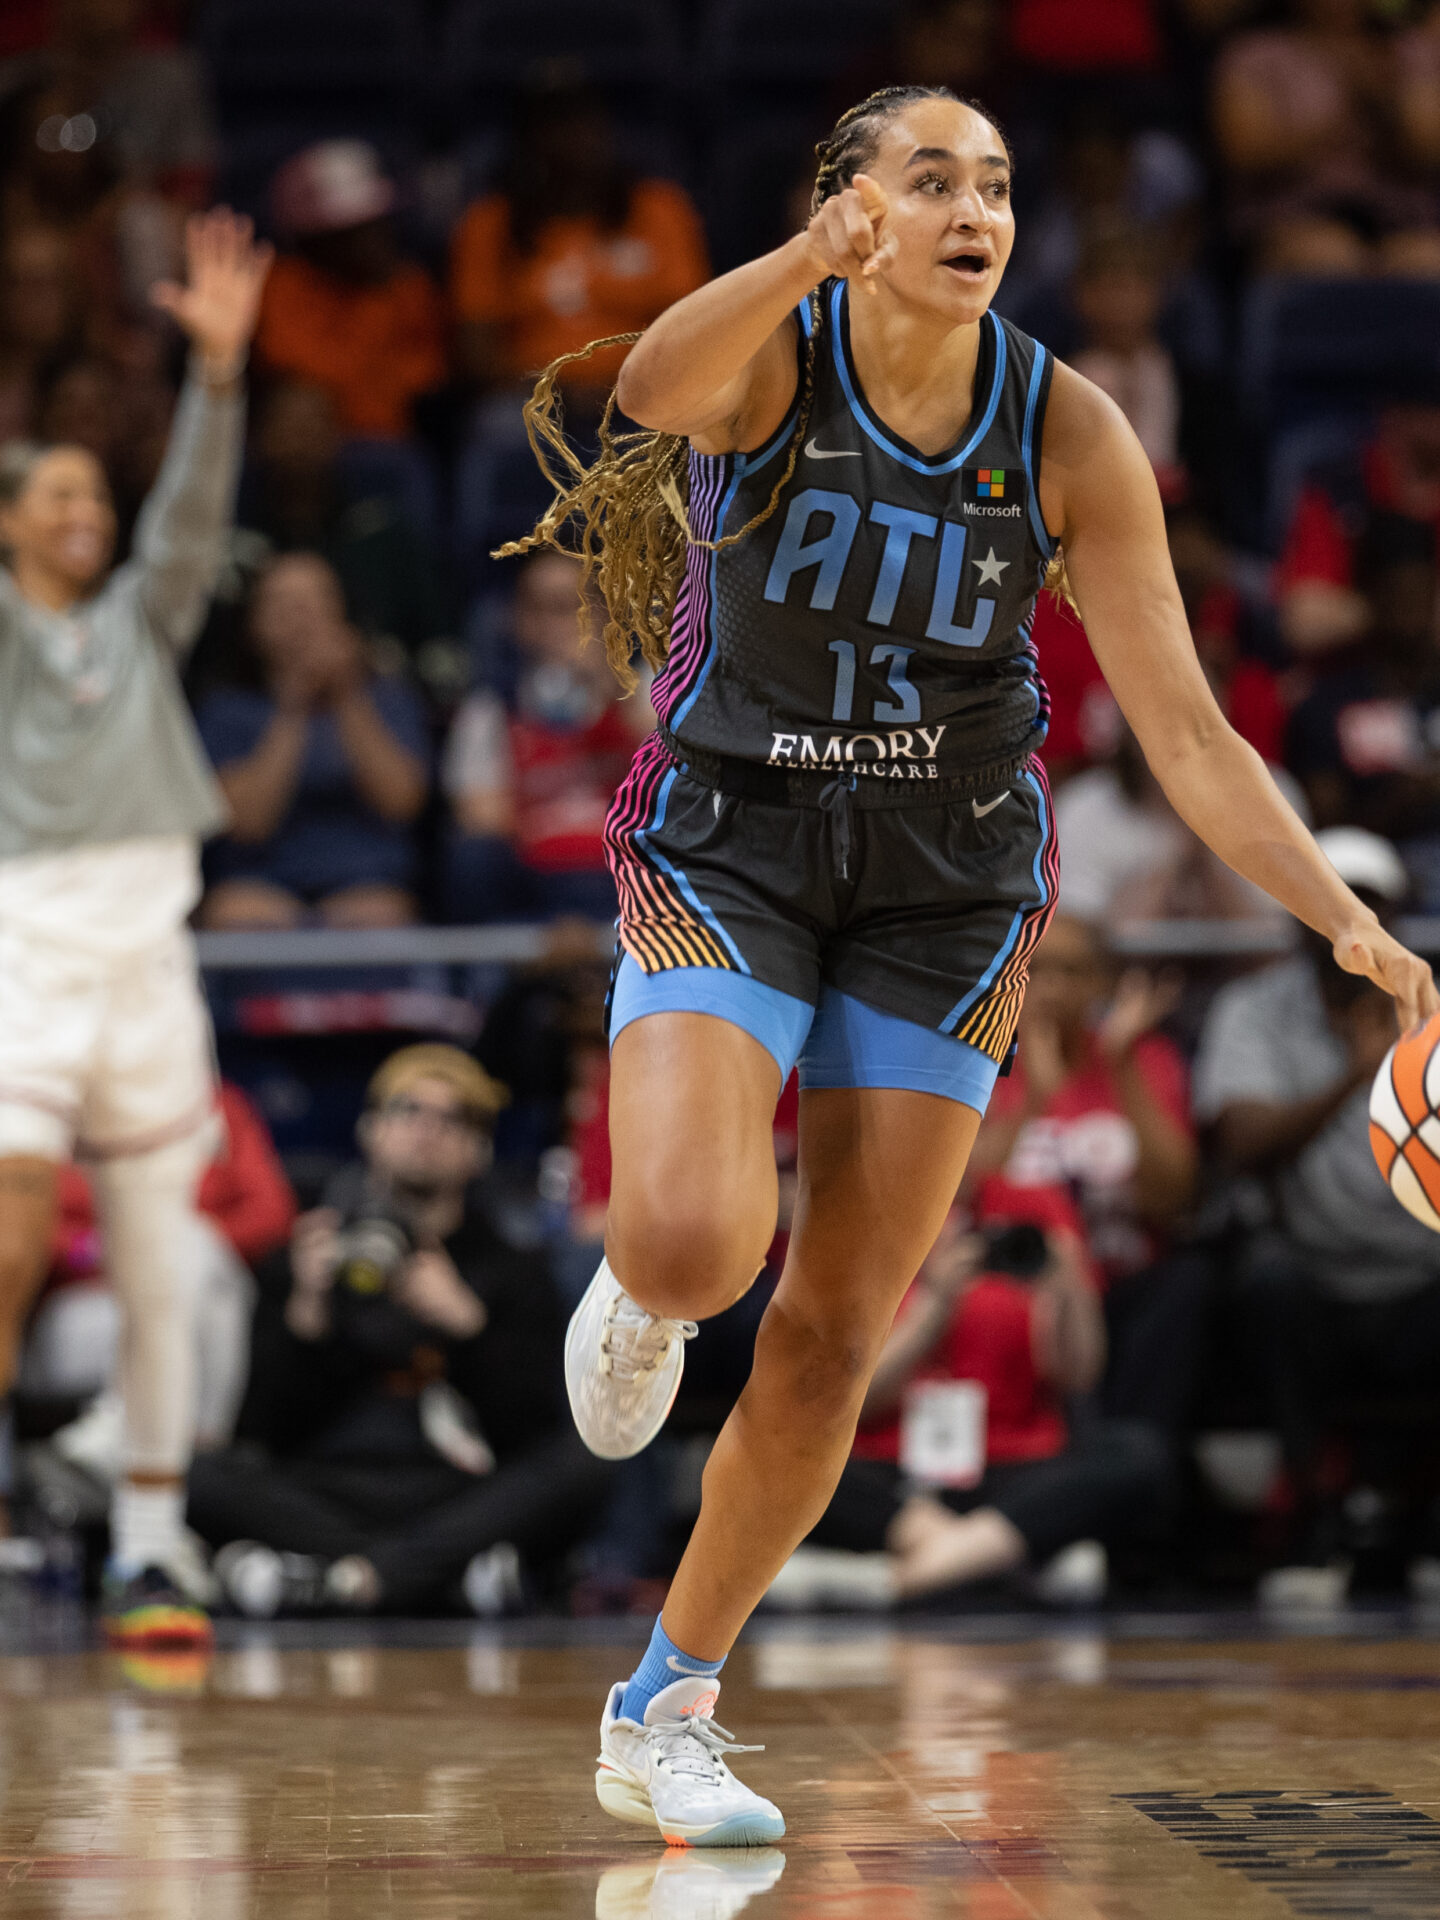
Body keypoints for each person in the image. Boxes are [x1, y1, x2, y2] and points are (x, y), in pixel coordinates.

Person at [500, 85, 1436, 1847]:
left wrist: (1344, 916)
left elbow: (1187, 725)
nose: (975, 210)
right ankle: (645, 1286)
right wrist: (793, 263)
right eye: (931, 179)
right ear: (852, 206)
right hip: (738, 840)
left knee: (837, 1326)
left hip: (950, 888)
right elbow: (642, 392)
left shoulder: (1063, 428)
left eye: (995, 186)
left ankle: (667, 1705)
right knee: (703, 1245)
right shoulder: (779, 354)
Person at [0, 207, 270, 1645]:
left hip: (148, 949)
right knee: (12, 1220)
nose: (84, 514)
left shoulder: (137, 621)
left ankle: (151, 1543)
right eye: (53, 496)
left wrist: (216, 379)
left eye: (91, 497)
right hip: (24, 940)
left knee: (167, 1263)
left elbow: (191, 523)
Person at [188, 1046, 611, 1618]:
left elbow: (533, 1435)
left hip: (453, 1489)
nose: (426, 1131)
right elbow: (261, 1434)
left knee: (590, 1462)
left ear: (477, 1149)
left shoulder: (510, 1265)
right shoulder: (308, 1252)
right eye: (407, 1110)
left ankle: (336, 1578)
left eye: (451, 1119)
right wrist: (306, 1318)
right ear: (371, 1131)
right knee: (193, 1472)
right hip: (328, 1485)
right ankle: (436, 1578)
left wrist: (470, 1328)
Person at [1193, 826, 1440, 1599]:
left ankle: (1423, 1525)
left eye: (1369, 906)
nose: (1352, 921)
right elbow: (1243, 1144)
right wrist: (1352, 1076)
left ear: (1395, 913)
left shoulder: (1430, 1008)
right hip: (1309, 1272)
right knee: (1263, 1285)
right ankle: (1313, 1517)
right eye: (1336, 904)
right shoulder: (1254, 1008)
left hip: (1417, 1269)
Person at [769, 1183, 1170, 1608]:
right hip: (893, 1473)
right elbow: (844, 1406)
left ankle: (896, 1580)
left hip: (1014, 1470)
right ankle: (991, 1560)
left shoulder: (1038, 1205)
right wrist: (935, 1306)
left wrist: (1069, 1287)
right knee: (773, 1455)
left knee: (1138, 1453)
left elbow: (1078, 1377)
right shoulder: (861, 1210)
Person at [967, 912, 1209, 1443]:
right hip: (1014, 1291)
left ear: (1101, 981)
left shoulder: (1145, 1058)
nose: (1053, 989)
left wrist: (1121, 1065)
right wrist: (1032, 1100)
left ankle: (1132, 1459)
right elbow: (962, 1198)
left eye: (1072, 972)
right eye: (1038, 970)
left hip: (1121, 1285)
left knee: (1187, 1284)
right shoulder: (976, 1064)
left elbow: (1173, 1200)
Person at [196, 551, 430, 930]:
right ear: (253, 623)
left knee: (380, 914)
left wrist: (347, 694)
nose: (300, 617)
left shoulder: (387, 699)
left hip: (366, 882)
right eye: (281, 603)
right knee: (235, 912)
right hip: (258, 884)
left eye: (314, 601)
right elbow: (246, 822)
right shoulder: (227, 710)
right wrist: (292, 706)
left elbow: (401, 803)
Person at [450, 82, 709, 405]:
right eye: (555, 125)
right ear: (528, 141)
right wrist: (556, 392)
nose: (574, 140)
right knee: (501, 435)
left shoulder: (660, 209)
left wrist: (616, 388)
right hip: (530, 400)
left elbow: (691, 330)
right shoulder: (489, 223)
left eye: (583, 122)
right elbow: (477, 352)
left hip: (644, 393)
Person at [441, 551, 648, 923]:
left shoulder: (649, 692)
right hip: (540, 884)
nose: (562, 626)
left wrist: (610, 687)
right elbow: (480, 819)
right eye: (543, 610)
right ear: (520, 622)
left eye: (574, 607)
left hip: (631, 872)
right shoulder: (492, 709)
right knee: (471, 858)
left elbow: (680, 785)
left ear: (607, 614)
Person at [256, 141, 447, 443]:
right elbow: (296, 372)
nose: (375, 239)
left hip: (395, 449)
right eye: (354, 230)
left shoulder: (408, 286)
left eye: (378, 223)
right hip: (319, 450)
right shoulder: (282, 286)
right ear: (314, 240)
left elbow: (426, 379)